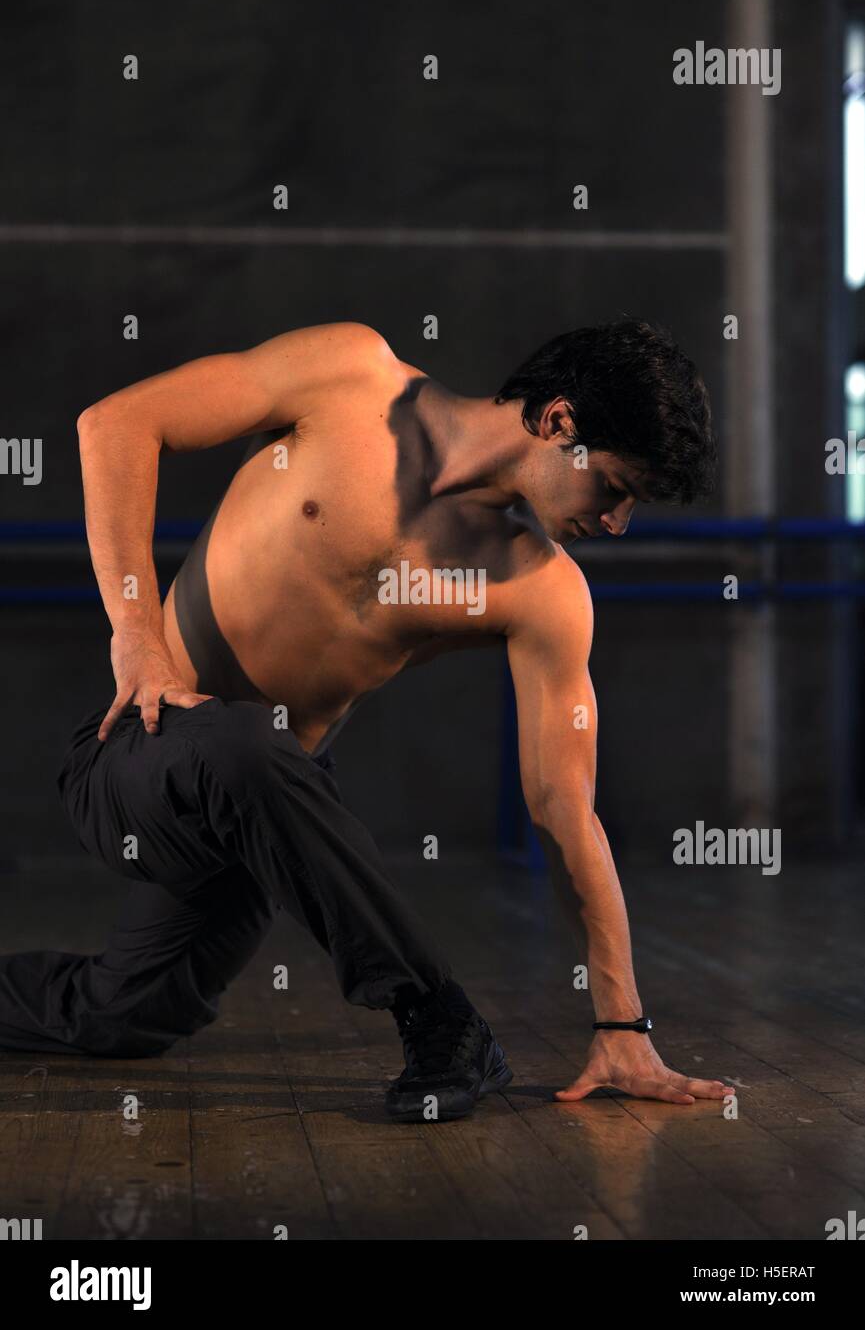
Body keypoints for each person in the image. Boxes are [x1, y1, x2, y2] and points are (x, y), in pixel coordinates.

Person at [0, 317, 735, 1120]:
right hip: (138, 758)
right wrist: (137, 637)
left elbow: (565, 810)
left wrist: (621, 1024)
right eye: (617, 488)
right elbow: (117, 424)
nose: (617, 523)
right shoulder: (348, 376)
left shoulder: (541, 592)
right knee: (248, 742)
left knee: (122, 1014)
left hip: (270, 822)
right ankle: (437, 1016)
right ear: (560, 423)